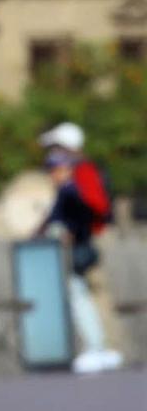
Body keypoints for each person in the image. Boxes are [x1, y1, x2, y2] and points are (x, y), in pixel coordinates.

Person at [33, 122, 126, 374]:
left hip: (88, 241)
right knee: (91, 294)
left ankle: (103, 347)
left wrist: (74, 226)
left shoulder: (81, 173)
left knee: (91, 295)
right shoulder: (74, 176)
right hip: (86, 238)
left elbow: (95, 206)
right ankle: (104, 347)